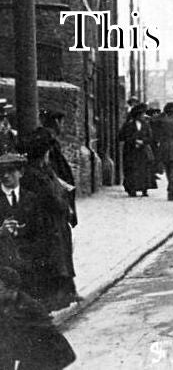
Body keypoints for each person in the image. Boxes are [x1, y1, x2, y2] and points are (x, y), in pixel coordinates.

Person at [18, 131, 79, 311]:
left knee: (62, 257)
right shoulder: (34, 174)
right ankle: (54, 299)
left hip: (55, 223)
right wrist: (64, 205)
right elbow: (50, 197)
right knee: (54, 260)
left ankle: (66, 293)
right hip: (47, 223)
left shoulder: (45, 170)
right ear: (42, 155)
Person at [0, 266, 76, 370]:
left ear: (12, 289)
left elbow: (34, 341)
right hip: (28, 353)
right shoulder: (6, 304)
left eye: (0, 289)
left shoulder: (29, 308)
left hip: (48, 354)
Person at [0, 153, 36, 280]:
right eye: (2, 172)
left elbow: (41, 232)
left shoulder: (32, 198)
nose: (5, 175)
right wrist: (1, 231)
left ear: (21, 173)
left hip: (29, 264)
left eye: (10, 171)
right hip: (4, 266)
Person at [118, 103, 154, 197]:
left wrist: (143, 142)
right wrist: (134, 141)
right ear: (137, 115)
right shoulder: (128, 125)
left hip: (142, 150)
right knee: (132, 170)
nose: (143, 116)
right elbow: (122, 136)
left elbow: (150, 137)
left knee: (144, 170)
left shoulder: (146, 125)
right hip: (131, 151)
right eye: (142, 114)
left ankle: (144, 189)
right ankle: (132, 189)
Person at [154, 103, 173, 202]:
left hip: (164, 145)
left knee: (167, 166)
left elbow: (155, 127)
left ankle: (171, 185)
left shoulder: (162, 121)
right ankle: (171, 185)